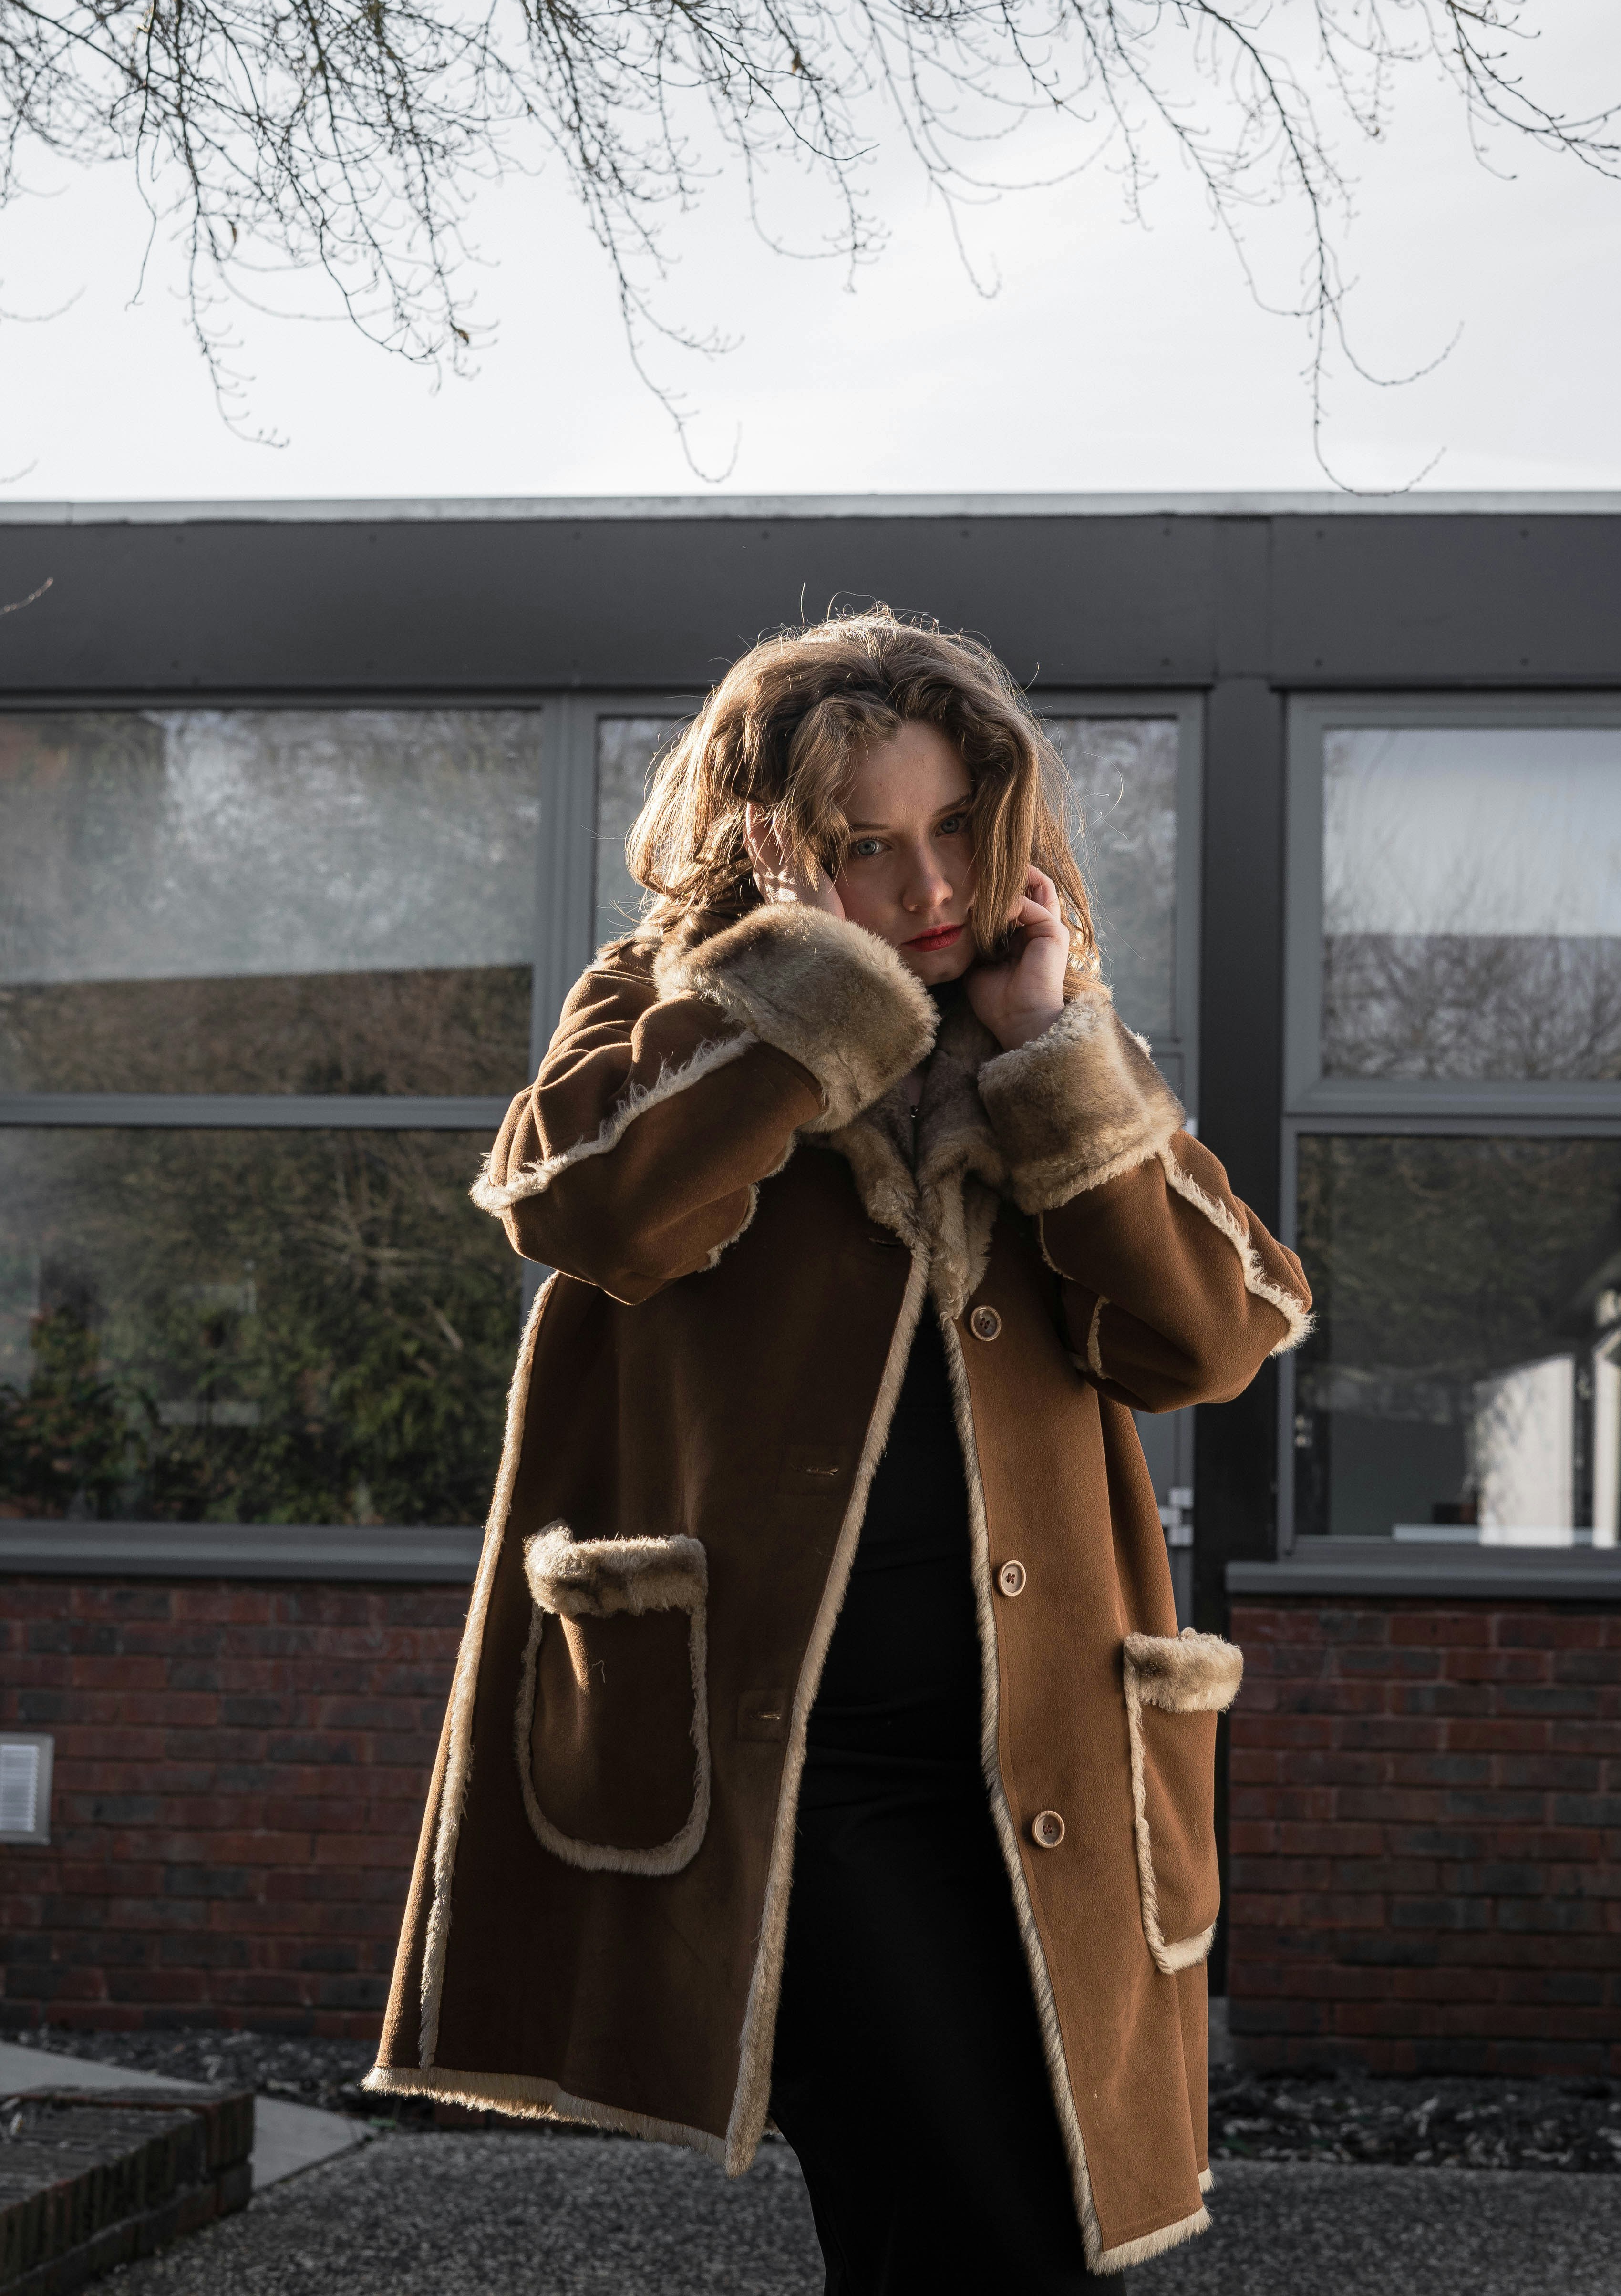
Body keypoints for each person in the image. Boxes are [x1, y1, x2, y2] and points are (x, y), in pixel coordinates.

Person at [369, 610, 1311, 2288]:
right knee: (965, 2220)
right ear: (772, 844)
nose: (931, 885)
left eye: (957, 828)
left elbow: (1210, 1337)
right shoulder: (674, 1008)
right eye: (869, 848)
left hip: (1035, 1773)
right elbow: (586, 1210)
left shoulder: (1055, 1042)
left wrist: (1054, 1065)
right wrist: (808, 1009)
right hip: (791, 1767)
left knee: (1006, 2234)